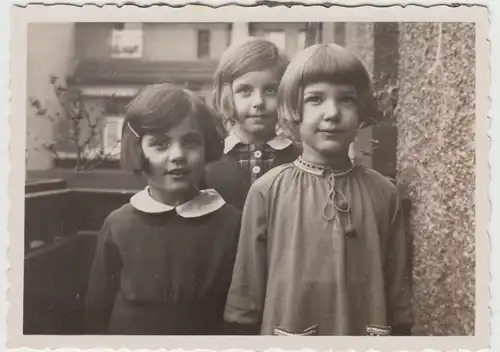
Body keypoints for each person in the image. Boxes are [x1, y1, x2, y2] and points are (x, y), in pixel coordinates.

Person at [223, 44, 413, 336]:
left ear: (361, 110)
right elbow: (245, 295)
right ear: (292, 110)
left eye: (346, 99)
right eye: (315, 99)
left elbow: (398, 294)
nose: (332, 113)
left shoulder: (383, 193)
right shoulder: (268, 191)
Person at [84, 84, 241, 335]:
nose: (177, 155)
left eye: (190, 142)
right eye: (160, 144)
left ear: (207, 146)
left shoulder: (231, 224)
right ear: (137, 150)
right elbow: (96, 311)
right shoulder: (119, 225)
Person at [204, 38, 300, 210]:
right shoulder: (211, 160)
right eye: (245, 91)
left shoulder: (299, 159)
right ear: (228, 95)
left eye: (270, 90)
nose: (258, 102)